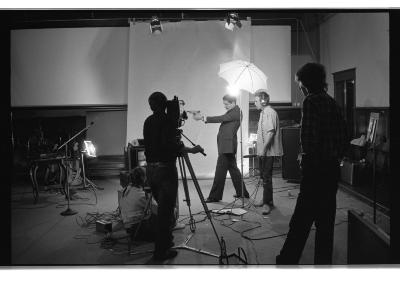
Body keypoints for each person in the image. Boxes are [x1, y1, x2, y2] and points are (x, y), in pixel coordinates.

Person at [276, 63, 348, 265]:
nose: (299, 87)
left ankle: (286, 263)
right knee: (326, 224)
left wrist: (305, 158)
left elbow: (308, 142)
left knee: (300, 223)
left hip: (315, 171)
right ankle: (322, 266)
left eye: (299, 83)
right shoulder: (332, 102)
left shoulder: (311, 102)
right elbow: (344, 137)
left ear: (307, 83)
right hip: (332, 170)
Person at [143, 91, 204, 261]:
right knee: (165, 213)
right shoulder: (167, 122)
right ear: (165, 105)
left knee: (162, 210)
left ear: (151, 105)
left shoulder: (148, 121)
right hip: (165, 171)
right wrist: (193, 149)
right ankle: (160, 252)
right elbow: (171, 146)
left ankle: (166, 244)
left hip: (151, 171)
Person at [193, 94, 249, 203]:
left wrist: (203, 118)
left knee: (220, 172)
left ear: (233, 103)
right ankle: (242, 193)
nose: (225, 106)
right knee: (234, 170)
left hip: (227, 147)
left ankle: (214, 196)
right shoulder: (232, 111)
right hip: (227, 146)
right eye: (224, 104)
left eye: (227, 104)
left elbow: (220, 118)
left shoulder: (236, 112)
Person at [253, 91, 283, 215]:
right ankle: (266, 200)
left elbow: (270, 133)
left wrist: (264, 149)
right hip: (264, 151)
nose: (255, 103)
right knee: (264, 176)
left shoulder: (269, 113)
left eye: (256, 101)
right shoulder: (263, 113)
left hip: (267, 152)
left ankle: (267, 204)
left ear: (263, 101)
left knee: (266, 177)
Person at [119, 167, 158, 242]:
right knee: (166, 214)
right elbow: (157, 210)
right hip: (138, 229)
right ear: (143, 178)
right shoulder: (141, 195)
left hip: (128, 227)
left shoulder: (126, 189)